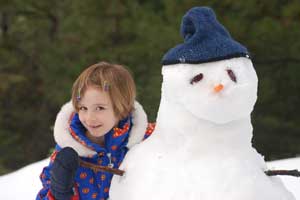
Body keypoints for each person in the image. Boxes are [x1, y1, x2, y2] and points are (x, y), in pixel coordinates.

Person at [36, 61, 155, 200]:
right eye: (83, 108)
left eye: (99, 108)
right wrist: (58, 193)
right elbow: (44, 194)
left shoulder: (144, 138)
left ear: (122, 110)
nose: (89, 118)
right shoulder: (67, 154)